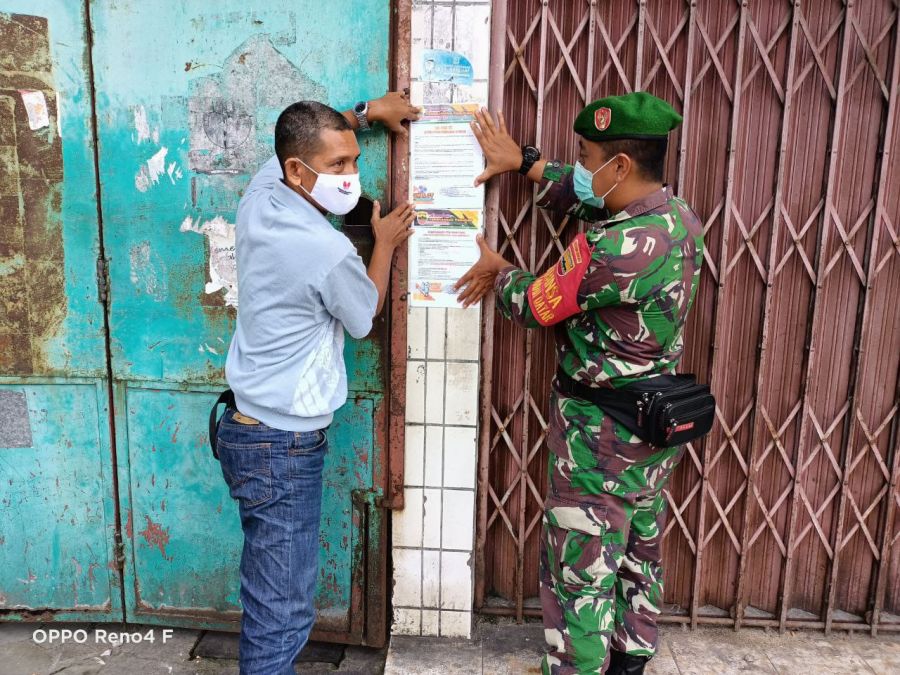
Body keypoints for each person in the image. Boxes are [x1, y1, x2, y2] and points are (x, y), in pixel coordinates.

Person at [457, 92, 704, 675]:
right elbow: (591, 197)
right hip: (653, 420)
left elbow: (537, 304)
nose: (583, 168)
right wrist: (526, 162)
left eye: (588, 157)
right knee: (639, 545)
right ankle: (630, 657)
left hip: (601, 438)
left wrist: (498, 271)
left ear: (620, 166)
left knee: (581, 566)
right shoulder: (677, 218)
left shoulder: (611, 248)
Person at [216, 92, 419, 675]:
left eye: (354, 159)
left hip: (245, 429)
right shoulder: (326, 248)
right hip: (281, 446)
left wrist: (365, 114)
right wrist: (384, 244)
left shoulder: (260, 199)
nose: (351, 175)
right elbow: (363, 315)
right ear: (298, 170)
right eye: (338, 164)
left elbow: (295, 142)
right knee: (282, 611)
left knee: (269, 591)